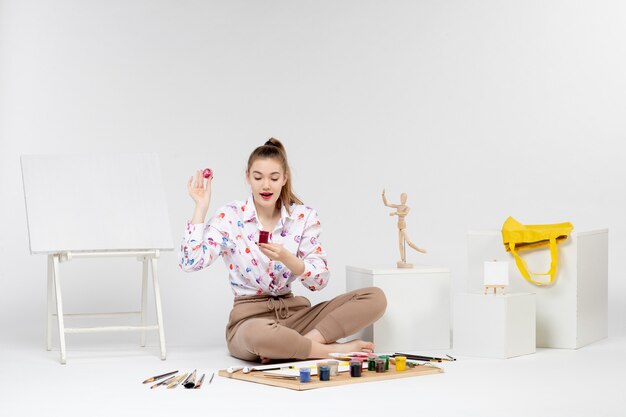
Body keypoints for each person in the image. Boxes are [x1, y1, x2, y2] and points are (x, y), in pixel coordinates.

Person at [179, 138, 386, 362]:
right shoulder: (230, 216)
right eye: (258, 177)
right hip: (250, 321)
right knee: (259, 335)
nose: (265, 185)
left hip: (296, 316)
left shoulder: (303, 217)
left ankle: (300, 345)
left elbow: (319, 282)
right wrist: (200, 207)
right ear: (248, 177)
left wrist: (289, 259)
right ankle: (327, 351)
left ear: (284, 178)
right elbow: (190, 262)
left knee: (375, 297)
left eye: (274, 178)